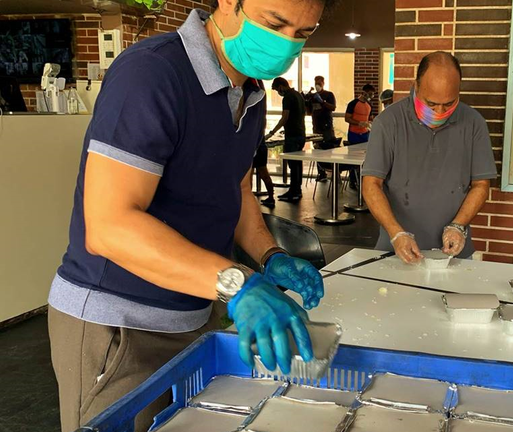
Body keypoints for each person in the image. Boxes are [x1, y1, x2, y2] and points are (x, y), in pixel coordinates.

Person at [46, 1, 333, 430]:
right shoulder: (151, 74)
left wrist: (270, 255)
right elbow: (109, 226)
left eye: (303, 33)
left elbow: (233, 188)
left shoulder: (250, 95)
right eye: (274, 23)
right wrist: (238, 283)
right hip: (120, 326)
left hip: (195, 315)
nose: (285, 43)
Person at [362, 52, 497, 263]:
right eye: (431, 104)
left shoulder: (473, 123)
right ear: (416, 86)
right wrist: (396, 233)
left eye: (449, 104)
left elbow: (480, 184)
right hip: (394, 250)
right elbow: (371, 184)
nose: (440, 111)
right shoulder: (388, 123)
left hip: (454, 254)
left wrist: (458, 226)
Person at [266, 77, 306, 202]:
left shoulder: (288, 97)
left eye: (277, 89)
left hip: (293, 136)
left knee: (293, 164)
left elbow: (285, 117)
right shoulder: (298, 95)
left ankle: (293, 192)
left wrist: (272, 132)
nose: (278, 92)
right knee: (297, 164)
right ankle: (297, 190)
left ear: (281, 86)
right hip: (300, 133)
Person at [344, 83, 375, 190]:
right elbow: (347, 118)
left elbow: (370, 118)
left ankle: (363, 180)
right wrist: (358, 123)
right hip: (354, 133)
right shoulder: (353, 104)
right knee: (353, 158)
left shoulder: (370, 105)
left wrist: (370, 124)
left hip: (365, 134)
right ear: (363, 93)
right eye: (369, 94)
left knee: (365, 158)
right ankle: (353, 180)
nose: (371, 96)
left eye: (372, 94)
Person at [251, 79, 275, 207]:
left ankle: (269, 197)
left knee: (251, 174)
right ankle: (271, 196)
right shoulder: (261, 114)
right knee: (263, 172)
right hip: (260, 143)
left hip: (256, 144)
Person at [309, 75, 337, 182]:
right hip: (316, 127)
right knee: (318, 150)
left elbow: (333, 107)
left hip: (327, 127)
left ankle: (332, 172)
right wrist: (307, 99)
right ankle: (321, 173)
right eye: (316, 82)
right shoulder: (313, 96)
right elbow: (309, 111)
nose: (318, 85)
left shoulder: (329, 95)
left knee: (328, 149)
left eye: (320, 83)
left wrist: (322, 102)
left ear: (323, 83)